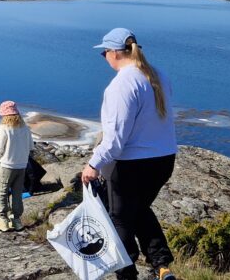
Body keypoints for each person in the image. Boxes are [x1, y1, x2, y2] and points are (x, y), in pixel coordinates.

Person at [81, 28, 178, 280]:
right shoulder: (159, 75)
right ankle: (161, 264)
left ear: (114, 53)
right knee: (140, 208)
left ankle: (126, 274)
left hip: (130, 164)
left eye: (104, 52)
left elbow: (114, 141)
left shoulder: (121, 85)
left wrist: (93, 165)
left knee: (120, 219)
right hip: (164, 160)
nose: (104, 56)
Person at [0, 101, 33, 232]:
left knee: (2, 191)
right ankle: (16, 220)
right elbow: (31, 147)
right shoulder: (25, 128)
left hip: (7, 165)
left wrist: (2, 159)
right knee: (17, 192)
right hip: (21, 165)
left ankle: (3, 220)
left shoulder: (4, 128)